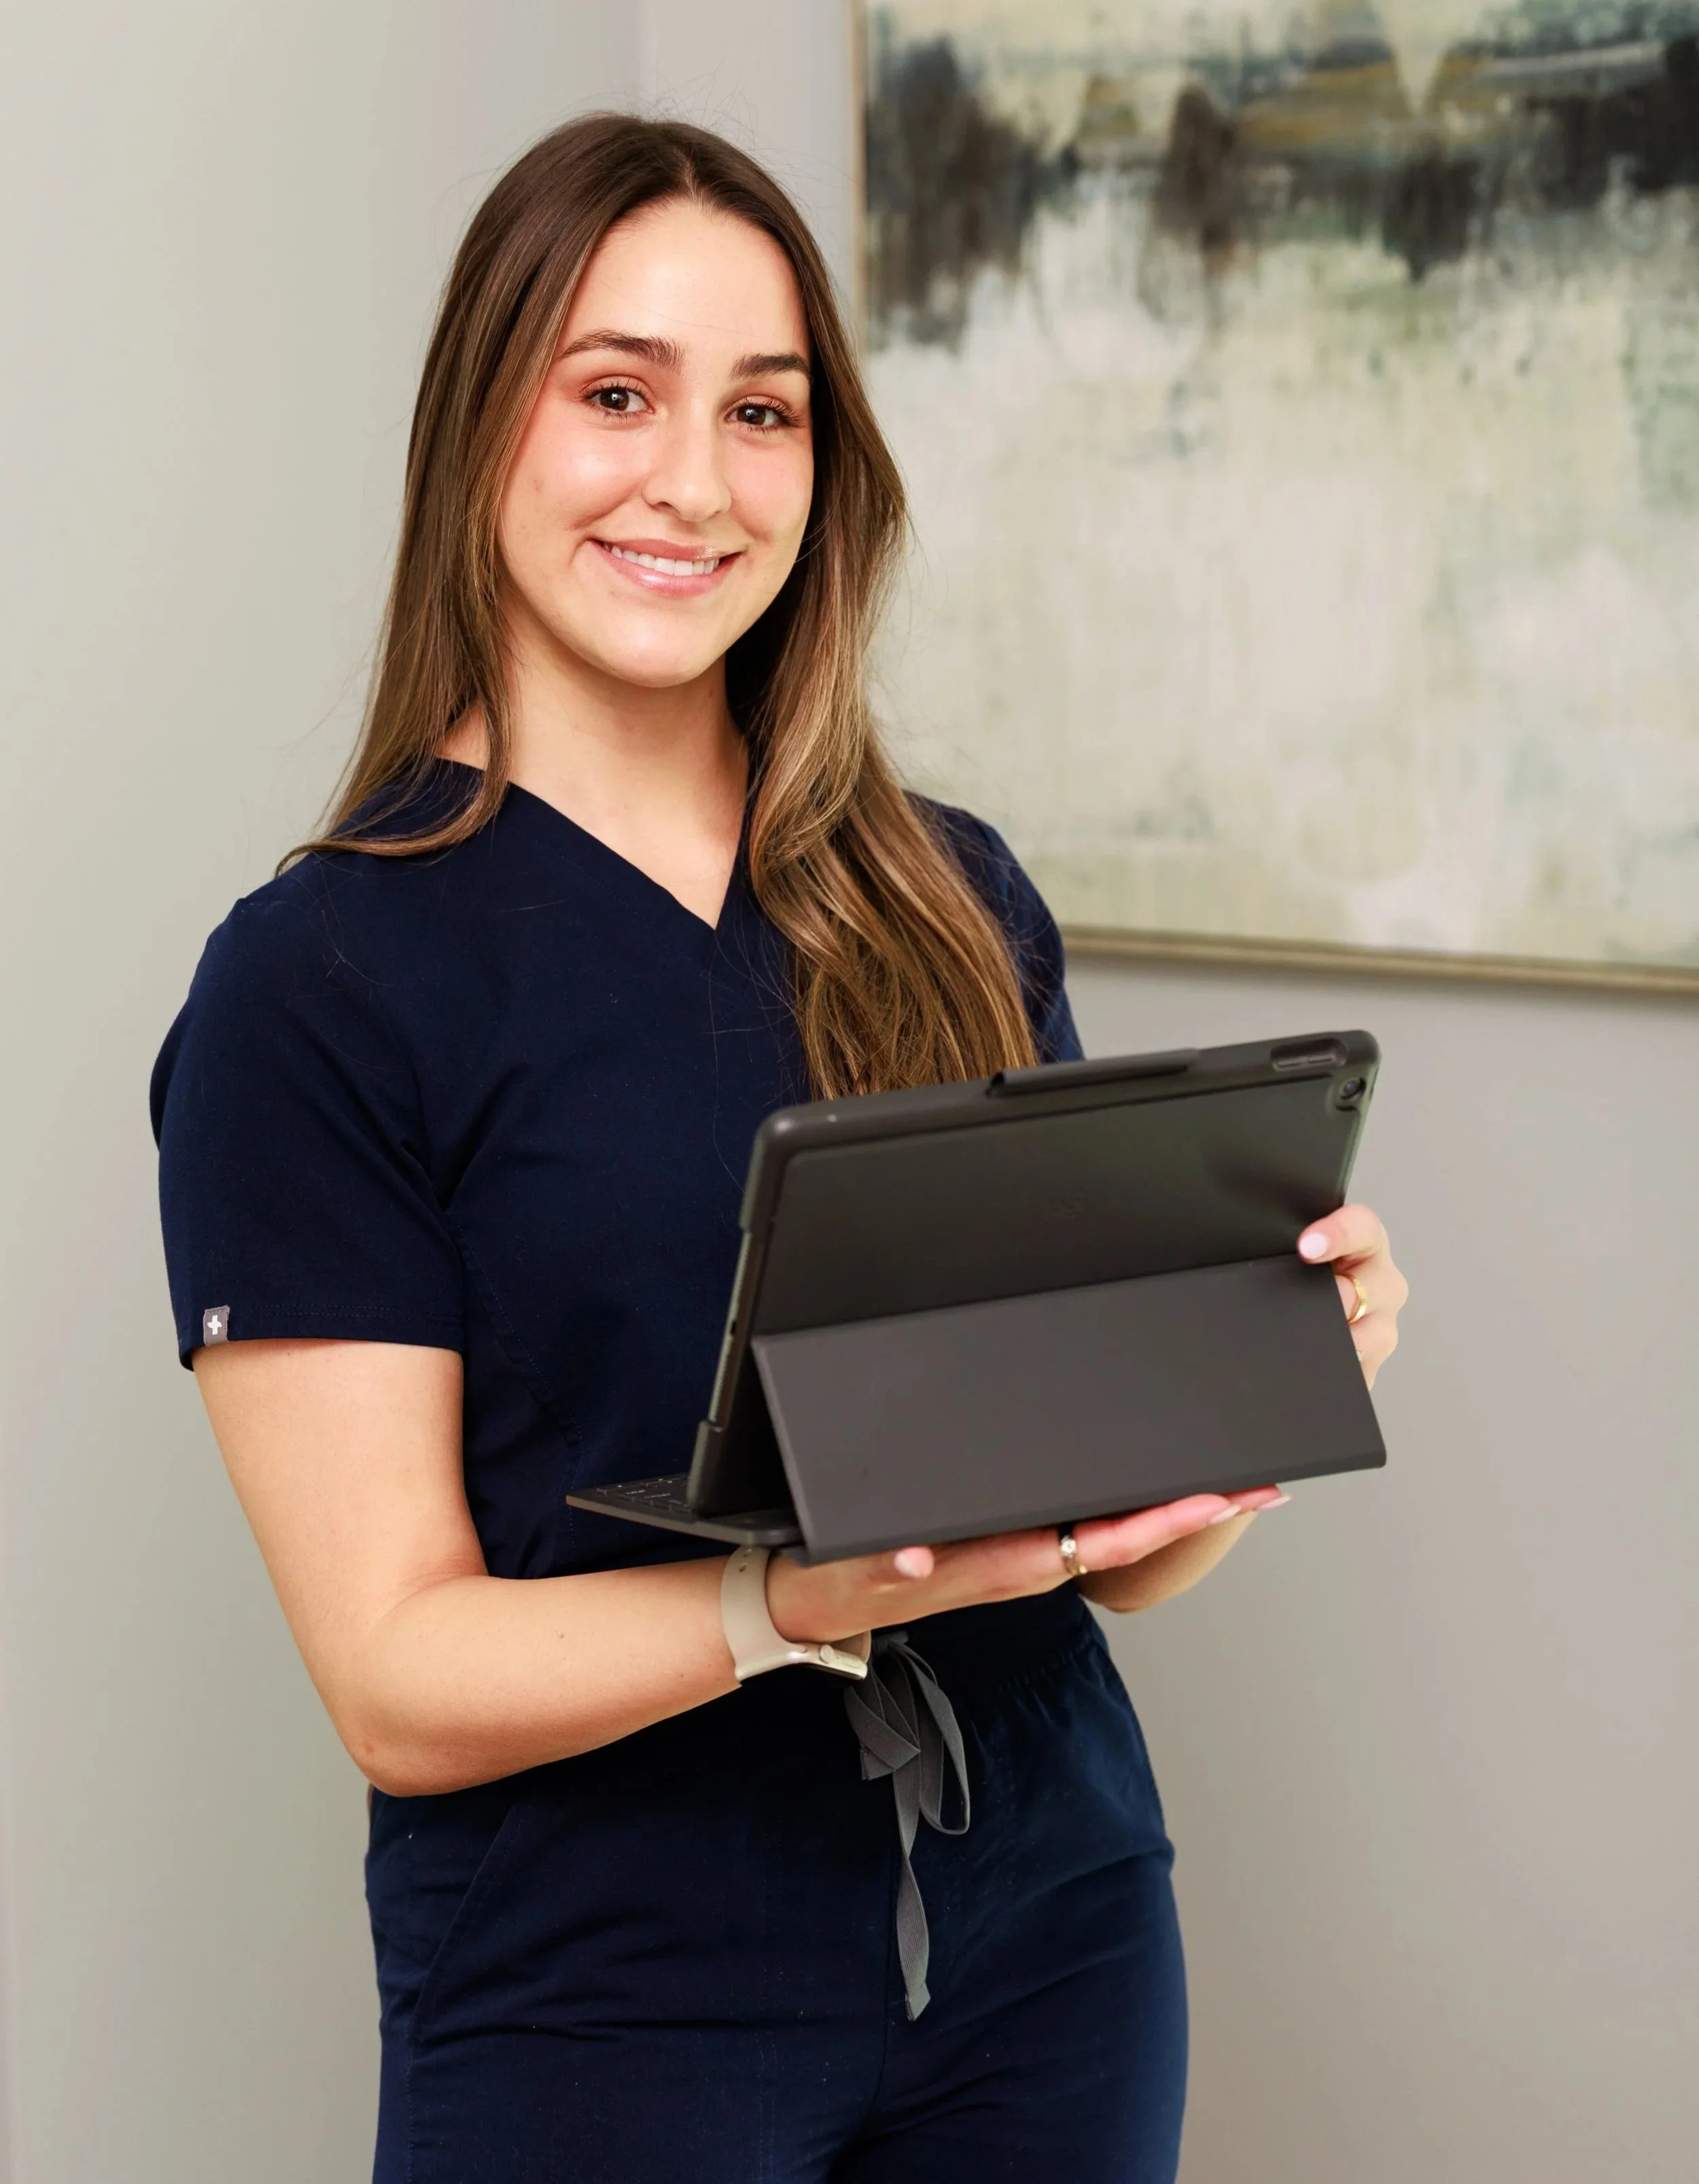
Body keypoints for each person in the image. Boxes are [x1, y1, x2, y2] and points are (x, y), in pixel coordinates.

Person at [151, 116, 1407, 2184]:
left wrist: (1280, 1368)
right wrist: (784, 1598)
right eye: (616, 394)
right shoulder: (322, 983)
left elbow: (1120, 1557)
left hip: (1051, 1937)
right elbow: (395, 1670)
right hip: (604, 2002)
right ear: (485, 422)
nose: (694, 482)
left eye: (764, 411)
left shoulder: (944, 893)